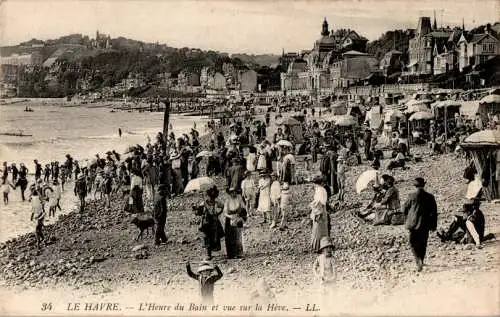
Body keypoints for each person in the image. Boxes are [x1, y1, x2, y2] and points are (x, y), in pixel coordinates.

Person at [401, 177, 437, 272]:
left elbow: (404, 209)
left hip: (413, 224)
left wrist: (407, 217)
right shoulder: (430, 197)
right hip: (425, 223)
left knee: (412, 242)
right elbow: (434, 212)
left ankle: (417, 260)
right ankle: (421, 259)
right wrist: (434, 225)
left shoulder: (411, 196)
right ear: (424, 184)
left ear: (414, 186)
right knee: (423, 243)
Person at [194, 186, 224, 260]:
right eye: (211, 193)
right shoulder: (204, 203)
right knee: (207, 237)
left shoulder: (217, 202)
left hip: (214, 221)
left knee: (214, 236)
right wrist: (197, 208)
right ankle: (208, 253)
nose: (212, 196)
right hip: (206, 222)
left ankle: (211, 252)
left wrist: (218, 213)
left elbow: (222, 207)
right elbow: (198, 213)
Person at [223, 187, 247, 259]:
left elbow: (244, 208)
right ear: (230, 193)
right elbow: (225, 212)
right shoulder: (227, 201)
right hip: (230, 219)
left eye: (235, 192)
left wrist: (241, 215)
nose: (234, 193)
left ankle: (239, 253)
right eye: (232, 192)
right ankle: (231, 254)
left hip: (238, 218)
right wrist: (231, 217)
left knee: (238, 236)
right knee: (230, 237)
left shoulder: (239, 199)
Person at [309, 175, 330, 253]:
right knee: (319, 229)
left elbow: (320, 203)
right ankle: (321, 246)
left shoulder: (321, 190)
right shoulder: (320, 189)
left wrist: (317, 213)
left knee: (319, 229)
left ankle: (318, 246)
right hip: (319, 209)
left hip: (320, 210)